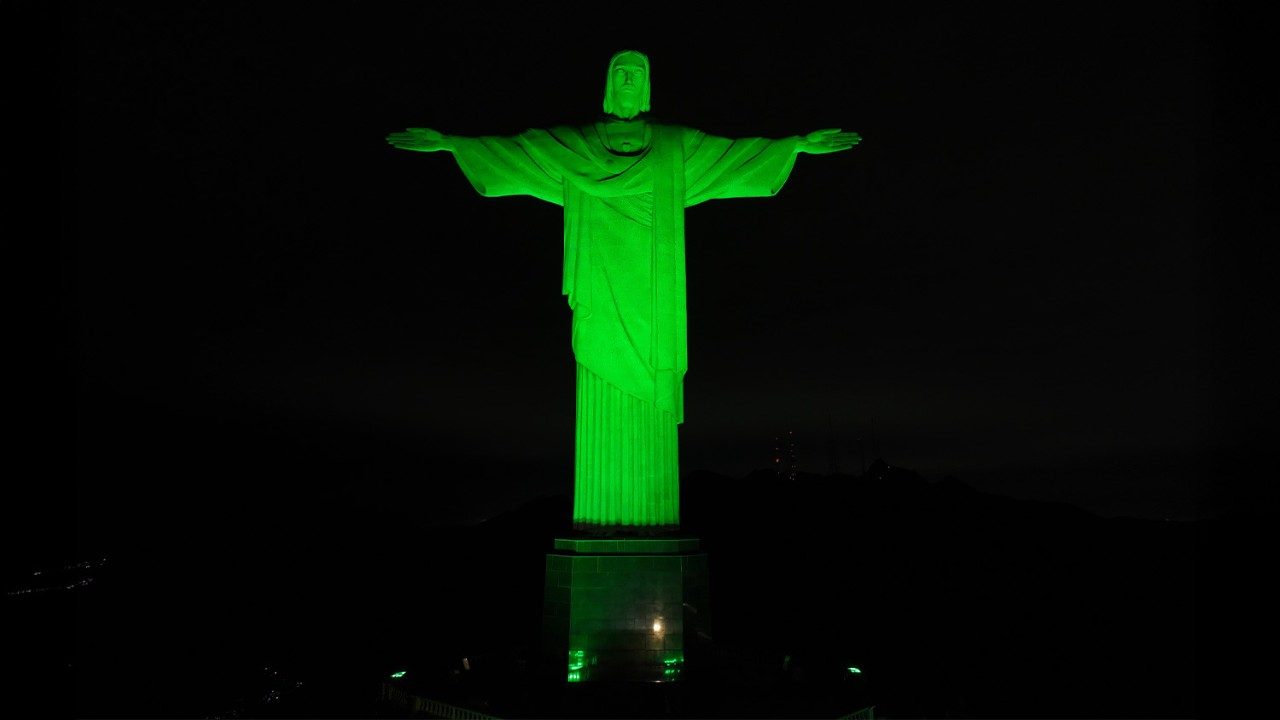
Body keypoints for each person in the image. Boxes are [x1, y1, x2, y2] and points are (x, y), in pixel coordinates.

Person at [387, 50, 860, 533]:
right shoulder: (577, 146)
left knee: (650, 387)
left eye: (638, 74)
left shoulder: (676, 146)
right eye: (621, 73)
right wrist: (451, 144)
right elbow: (519, 151)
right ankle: (599, 522)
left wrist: (796, 145)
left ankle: (648, 521)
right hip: (600, 285)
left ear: (648, 85)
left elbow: (734, 155)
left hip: (654, 297)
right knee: (599, 370)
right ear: (609, 84)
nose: (630, 80)